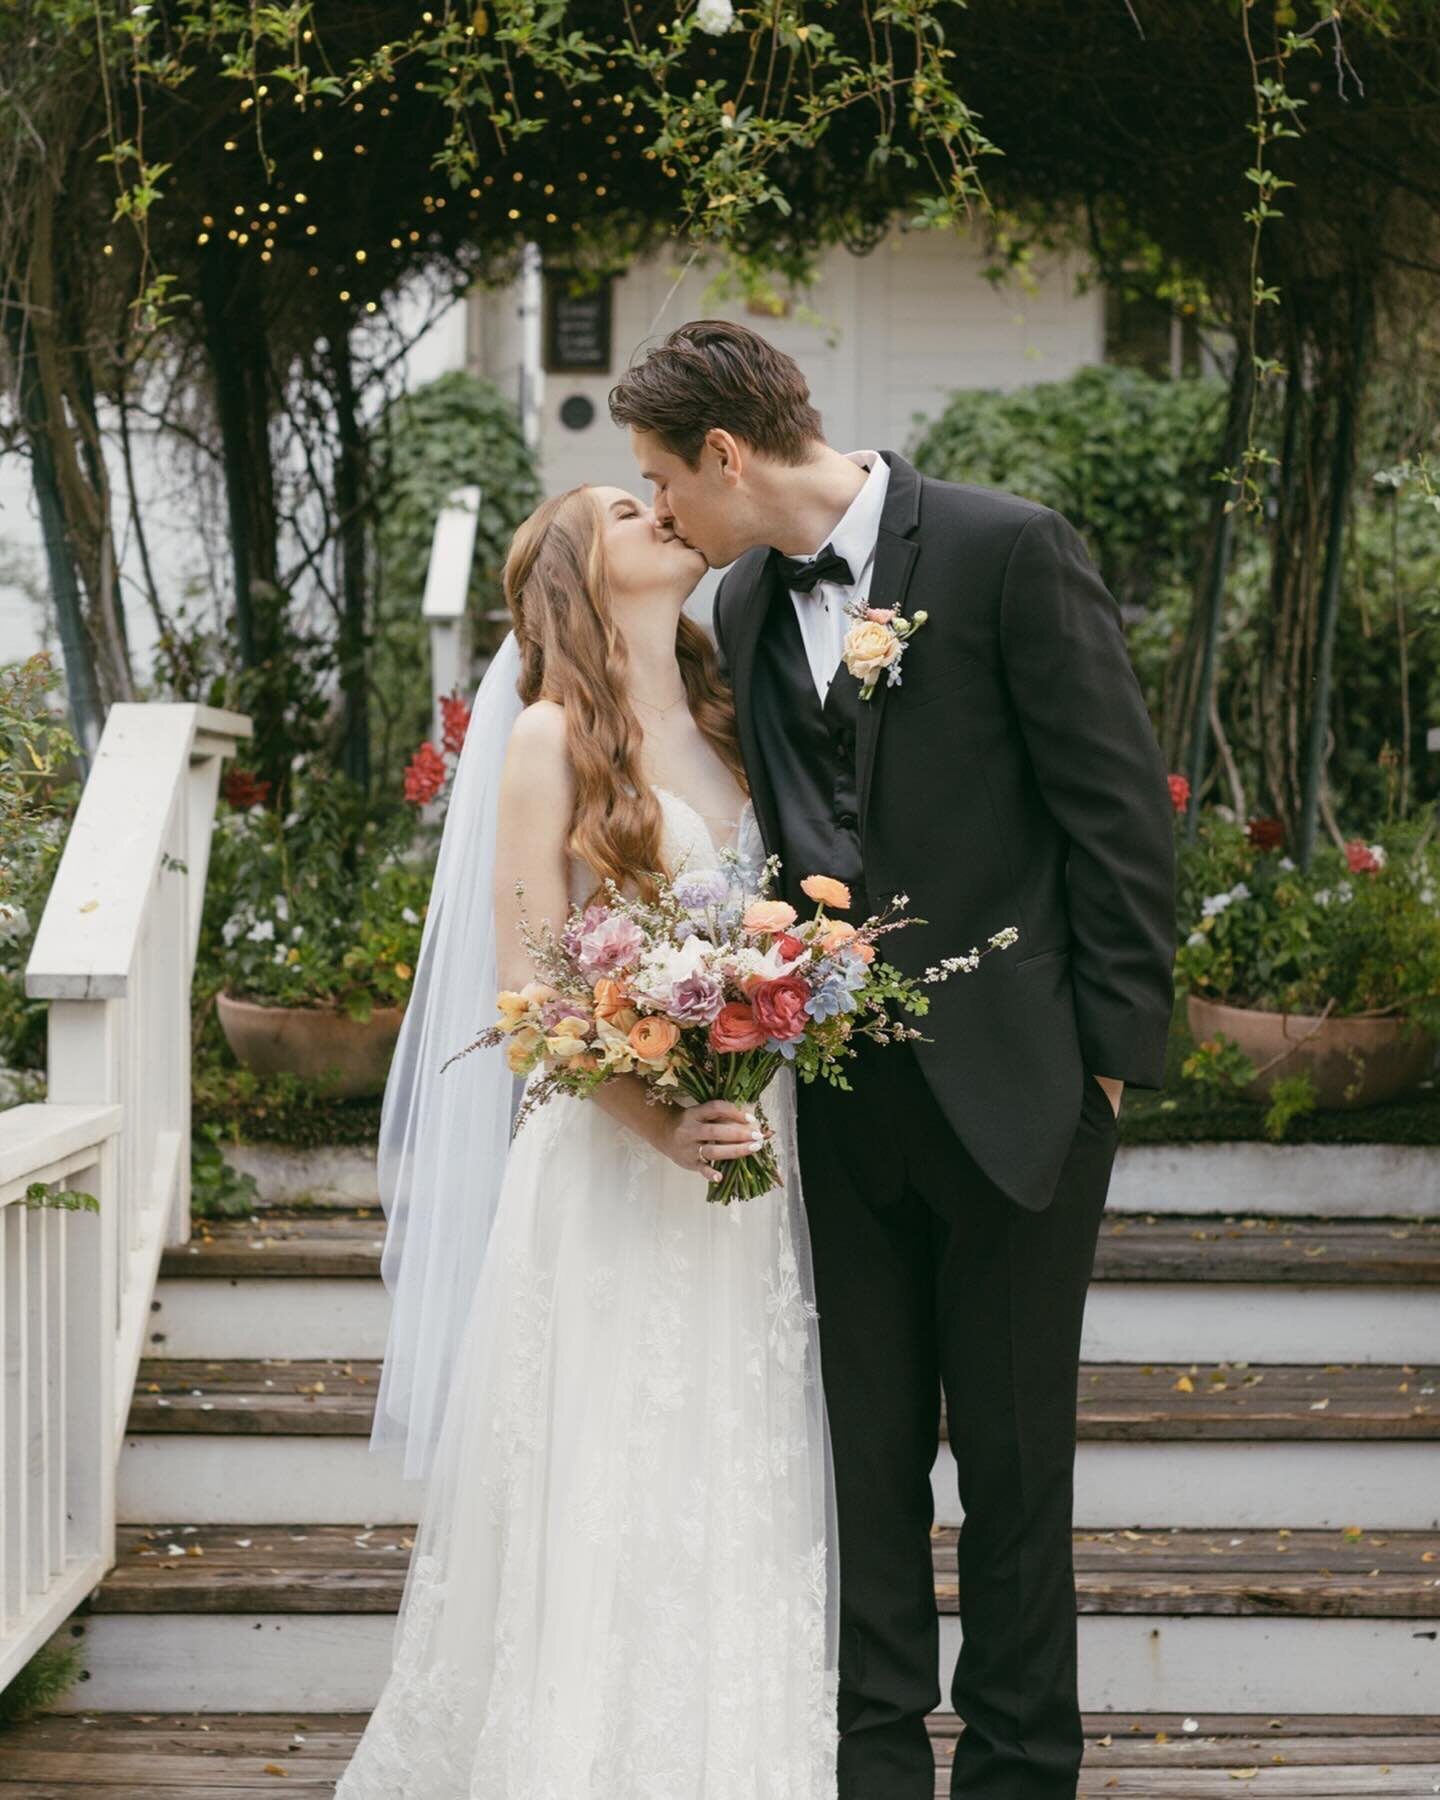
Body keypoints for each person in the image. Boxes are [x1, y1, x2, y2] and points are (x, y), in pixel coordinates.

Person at [610, 321, 1176, 1800]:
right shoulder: (738, 604)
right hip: (838, 1107)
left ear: (728, 455)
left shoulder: (1006, 552)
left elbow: (1118, 824)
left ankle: (1016, 1773)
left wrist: (1103, 1073)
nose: (660, 512)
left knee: (1011, 1474)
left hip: (1020, 1102)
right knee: (859, 1468)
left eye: (666, 481)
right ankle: (871, 1772)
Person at [338, 486, 839, 1797]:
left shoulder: (738, 726)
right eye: (629, 507)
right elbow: (526, 994)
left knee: (724, 1490)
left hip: (740, 1166)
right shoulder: (552, 740)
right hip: (617, 1175)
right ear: (576, 566)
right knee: (610, 1493)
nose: (664, 510)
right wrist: (661, 1118)